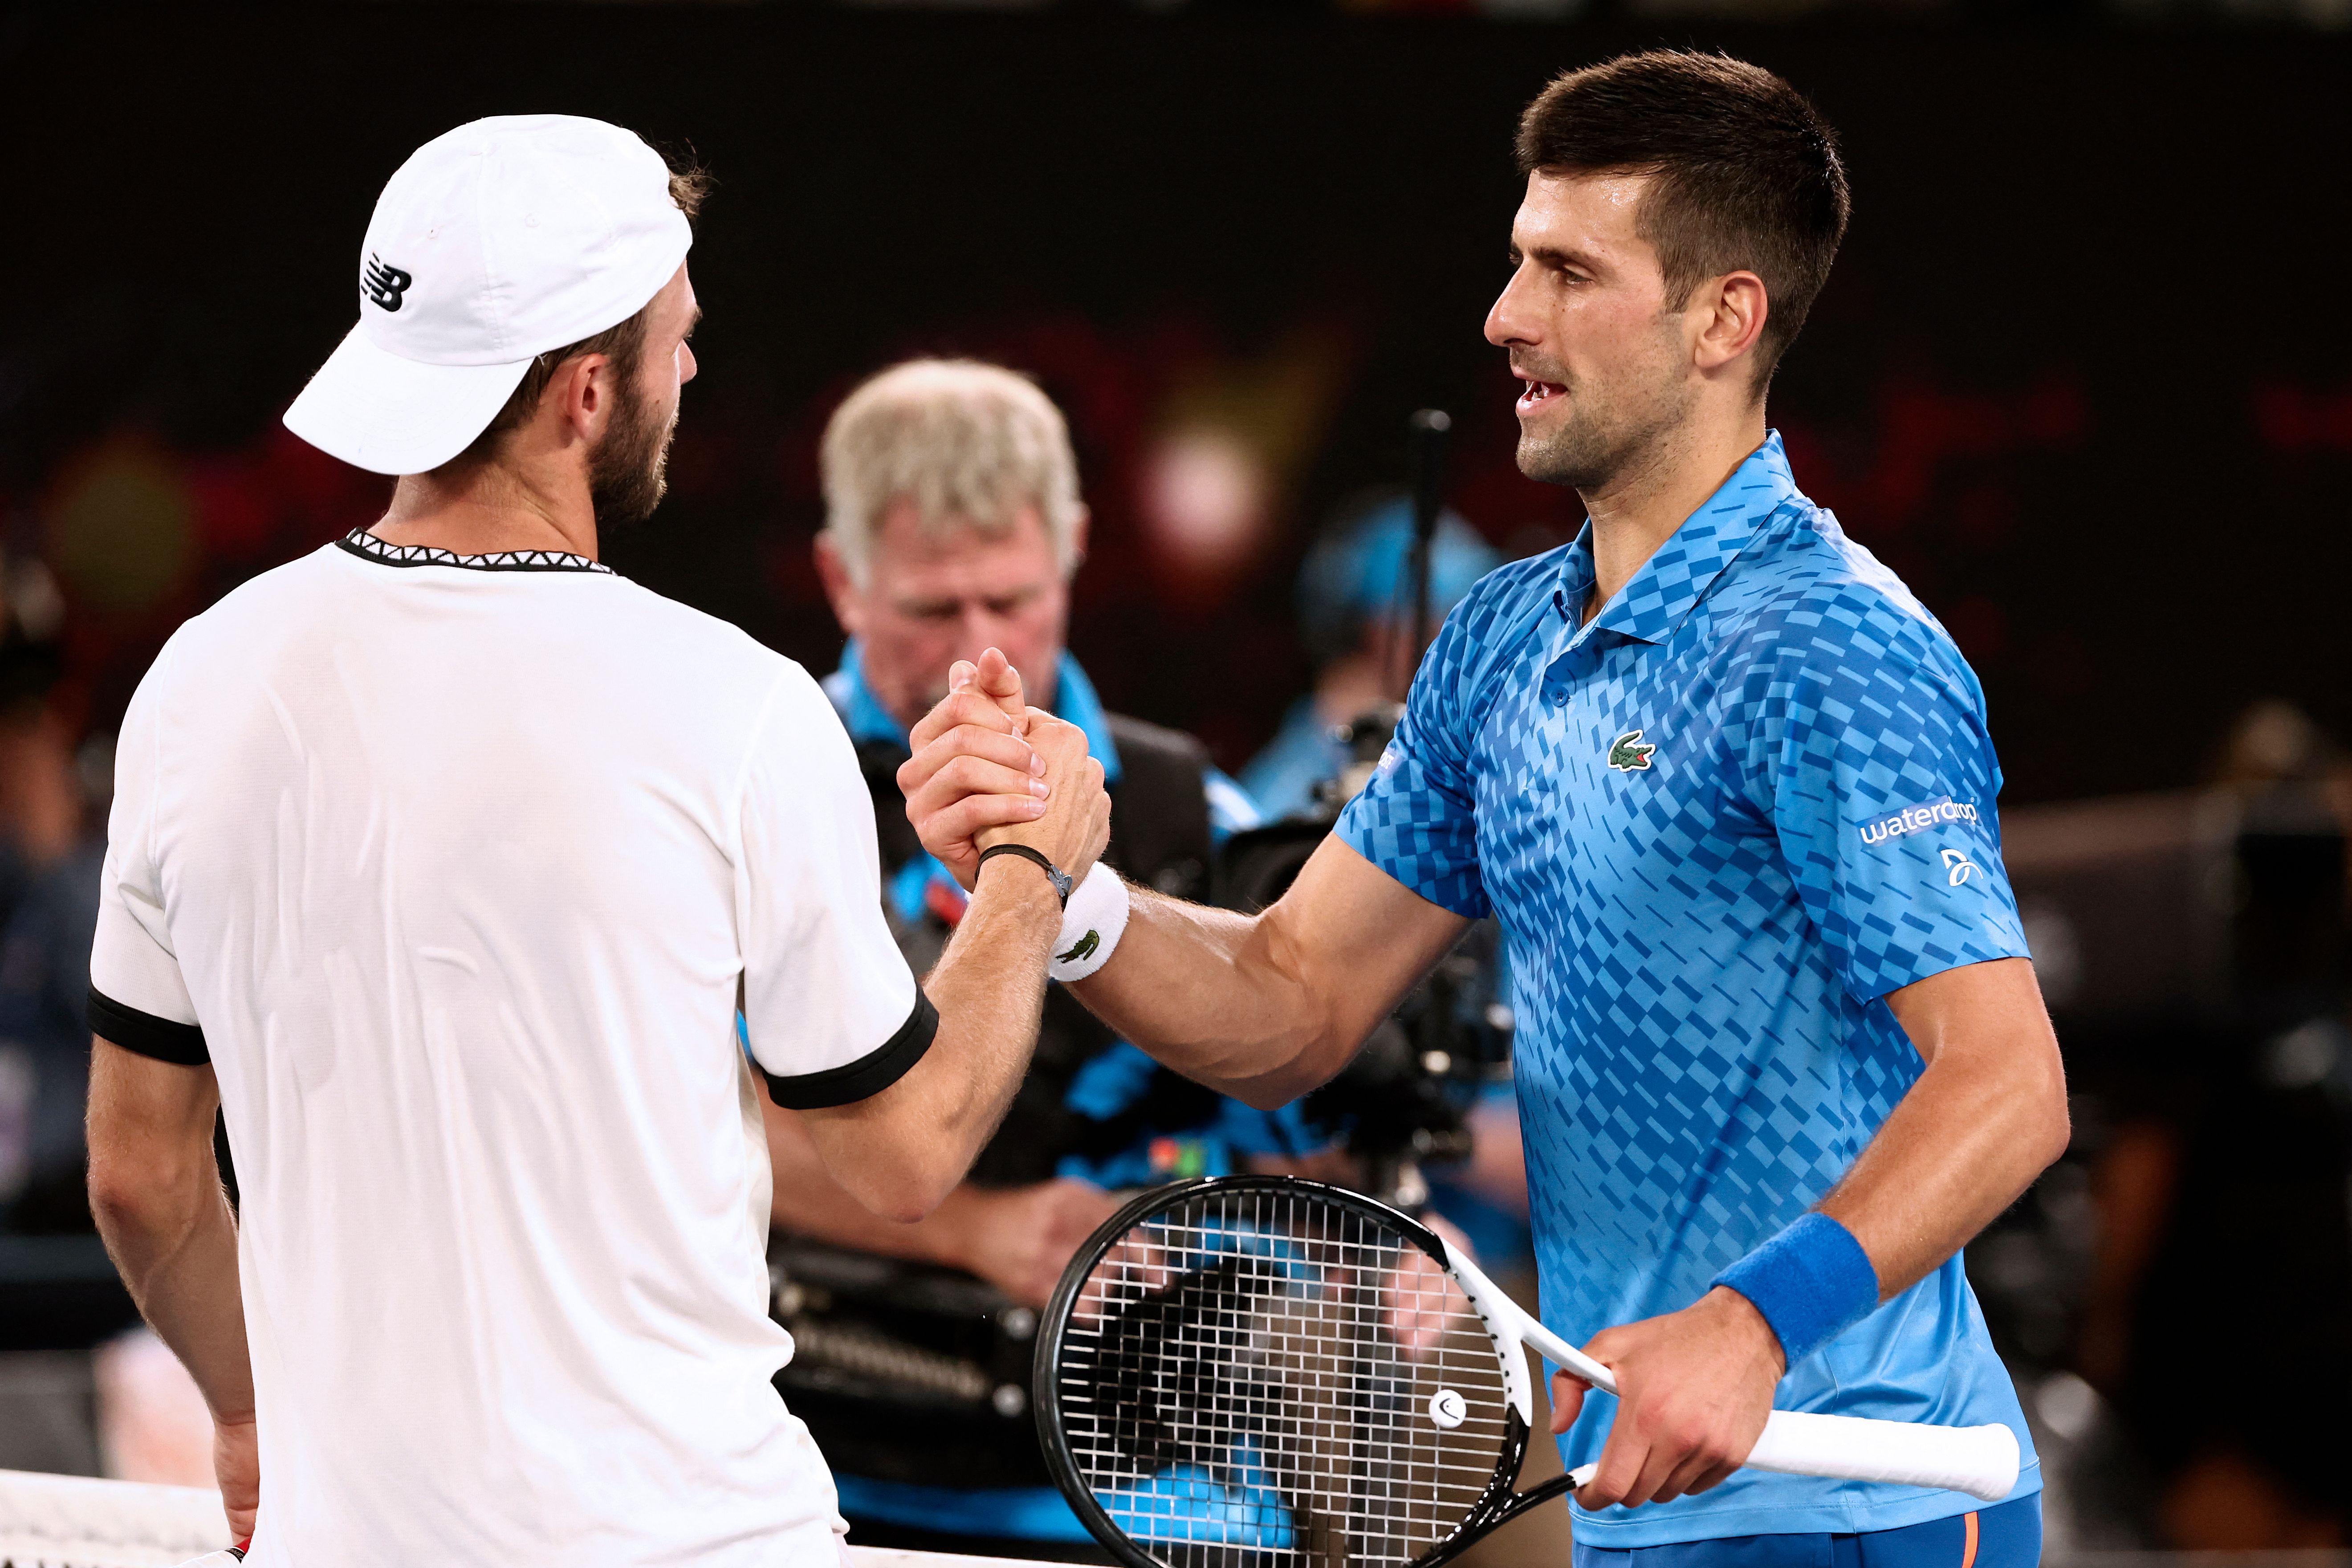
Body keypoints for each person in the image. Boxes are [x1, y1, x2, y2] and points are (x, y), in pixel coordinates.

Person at [901, 52, 2068, 1568]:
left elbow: (2005, 1081)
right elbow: (1294, 995)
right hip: (1640, 1505)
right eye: (1518, 261)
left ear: (1724, 319)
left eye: (1568, 272)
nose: (1504, 317)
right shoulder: (1503, 641)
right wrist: (1075, 891)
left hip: (1861, 1500)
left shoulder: (1832, 647)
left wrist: (1749, 1327)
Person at [80, 115, 1106, 1568]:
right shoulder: (733, 710)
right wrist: (1031, 870)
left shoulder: (193, 684)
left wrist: (254, 1421)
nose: (690, 374)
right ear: (581, 393)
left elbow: (139, 1177)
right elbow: (903, 1157)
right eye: (675, 341)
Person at [763, 357, 1313, 1558]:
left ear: (1071, 545)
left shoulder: (1194, 811)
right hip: (810, 1472)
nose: (979, 652)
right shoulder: (756, 788)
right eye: (930, 609)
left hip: (1164, 1486)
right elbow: (680, 1123)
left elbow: (1311, 1115)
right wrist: (977, 1228)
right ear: (839, 580)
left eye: (1011, 599)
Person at [1239, 496, 1500, 824]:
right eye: (1435, 620)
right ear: (1368, 627)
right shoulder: (1296, 772)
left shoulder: (1468, 745)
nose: (1456, 644)